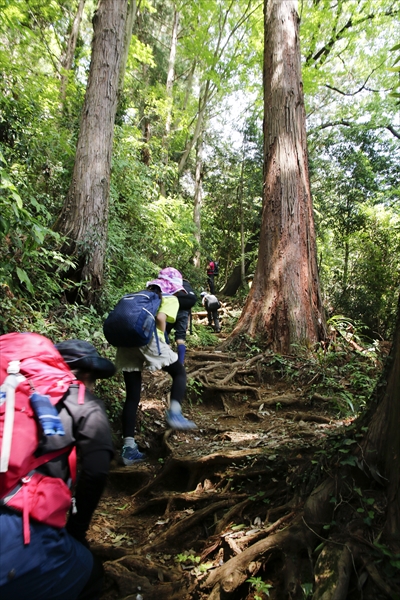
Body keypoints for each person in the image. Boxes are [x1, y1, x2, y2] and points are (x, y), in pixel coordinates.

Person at [0, 339, 115, 600]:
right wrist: (77, 529)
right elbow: (96, 471)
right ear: (86, 374)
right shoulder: (83, 402)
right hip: (20, 529)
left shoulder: (10, 394)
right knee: (89, 573)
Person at [116, 267, 197, 467]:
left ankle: (128, 448)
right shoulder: (170, 297)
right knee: (179, 372)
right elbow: (161, 319)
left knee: (132, 396)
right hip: (148, 339)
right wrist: (161, 340)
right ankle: (175, 413)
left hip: (125, 343)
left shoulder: (142, 295)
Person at [165, 278, 197, 365]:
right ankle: (181, 363)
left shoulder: (172, 287)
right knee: (180, 339)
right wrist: (188, 323)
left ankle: (166, 361)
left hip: (171, 312)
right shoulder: (188, 292)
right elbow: (189, 311)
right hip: (184, 313)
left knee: (164, 335)